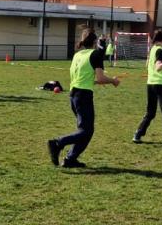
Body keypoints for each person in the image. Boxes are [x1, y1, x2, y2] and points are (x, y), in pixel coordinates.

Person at [47, 28, 120, 168]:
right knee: (86, 131)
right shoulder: (95, 54)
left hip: (74, 95)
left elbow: (87, 78)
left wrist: (103, 81)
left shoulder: (77, 55)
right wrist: (113, 81)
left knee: (86, 130)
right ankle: (57, 143)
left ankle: (70, 159)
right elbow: (101, 78)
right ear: (95, 41)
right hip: (83, 96)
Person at [132, 28, 162, 147]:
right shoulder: (160, 50)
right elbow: (158, 67)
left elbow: (148, 65)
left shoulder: (153, 49)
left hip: (150, 84)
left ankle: (138, 134)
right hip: (160, 84)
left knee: (150, 113)